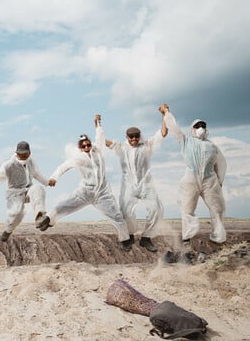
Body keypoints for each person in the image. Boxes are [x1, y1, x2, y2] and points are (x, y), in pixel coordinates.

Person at [48, 116, 131, 251]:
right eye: (83, 145)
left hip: (102, 192)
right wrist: (54, 178)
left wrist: (97, 123)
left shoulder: (98, 150)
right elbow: (63, 167)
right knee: (66, 205)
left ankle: (125, 240)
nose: (86, 147)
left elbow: (100, 135)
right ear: (80, 147)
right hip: (86, 191)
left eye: (88, 144)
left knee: (116, 215)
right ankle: (48, 220)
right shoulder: (78, 158)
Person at [159, 103, 227, 245]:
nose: (200, 129)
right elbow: (173, 127)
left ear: (206, 129)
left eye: (203, 126)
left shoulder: (212, 146)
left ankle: (218, 239)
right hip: (191, 179)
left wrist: (219, 181)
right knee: (187, 208)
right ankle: (187, 239)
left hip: (210, 180)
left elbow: (220, 163)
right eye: (197, 126)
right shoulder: (186, 140)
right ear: (192, 129)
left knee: (218, 209)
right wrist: (166, 112)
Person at [104, 114, 168, 252]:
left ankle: (146, 238)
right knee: (126, 211)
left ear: (139, 136)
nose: (133, 139)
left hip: (146, 184)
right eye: (131, 136)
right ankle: (130, 236)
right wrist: (97, 127)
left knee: (156, 209)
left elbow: (163, 133)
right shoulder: (121, 147)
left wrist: (164, 115)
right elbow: (104, 142)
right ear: (127, 137)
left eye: (136, 136)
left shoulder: (147, 145)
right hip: (129, 185)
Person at [0, 141, 52, 242]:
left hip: (28, 190)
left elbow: (37, 174)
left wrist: (47, 182)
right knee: (17, 213)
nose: (22, 157)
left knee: (38, 188)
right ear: (16, 153)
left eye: (25, 154)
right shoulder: (8, 166)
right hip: (14, 193)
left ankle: (40, 218)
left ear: (29, 153)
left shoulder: (31, 162)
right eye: (20, 154)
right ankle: (8, 230)